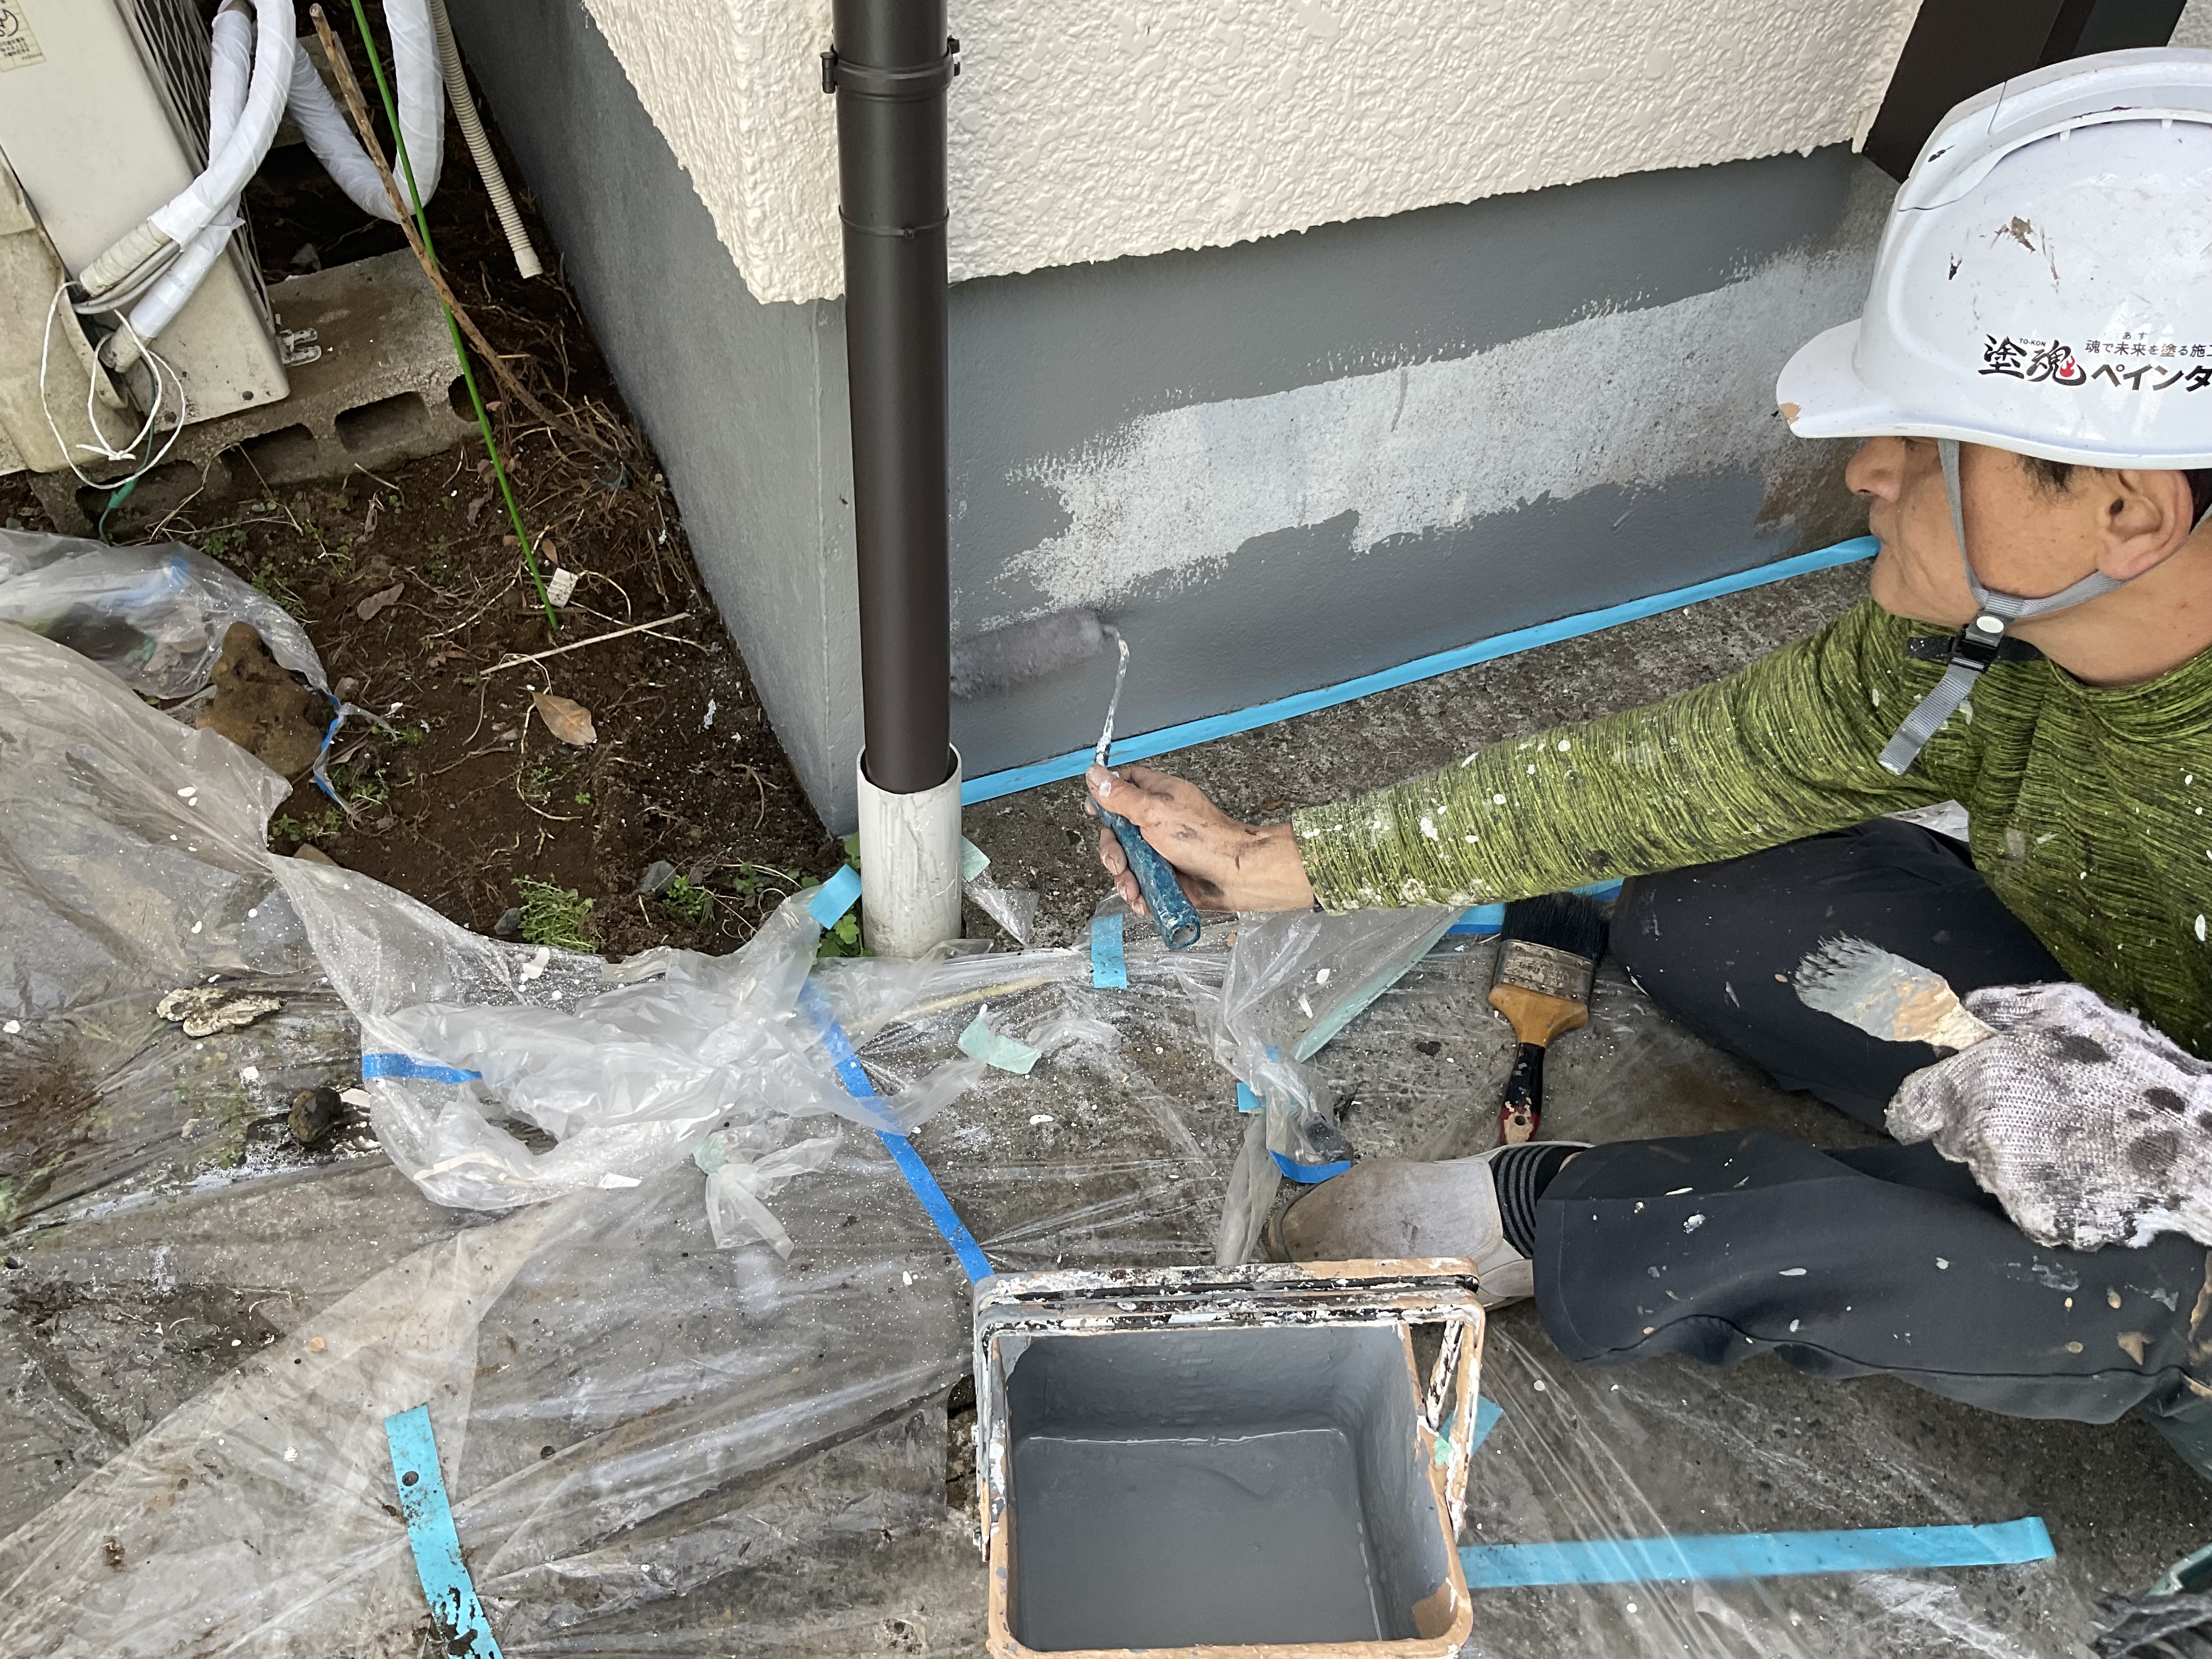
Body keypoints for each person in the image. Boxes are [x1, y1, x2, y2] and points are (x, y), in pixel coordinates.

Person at [1088, 50, 2212, 1641]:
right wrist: (1286, 860)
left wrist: (2136, 1149)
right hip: (2134, 1033)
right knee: (1711, 907)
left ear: (2125, 513)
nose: (1866, 473)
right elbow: (1701, 768)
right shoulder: (1980, 646)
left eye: (1926, 444)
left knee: (2117, 1280)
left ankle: (1565, 1217)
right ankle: (1976, 1175)